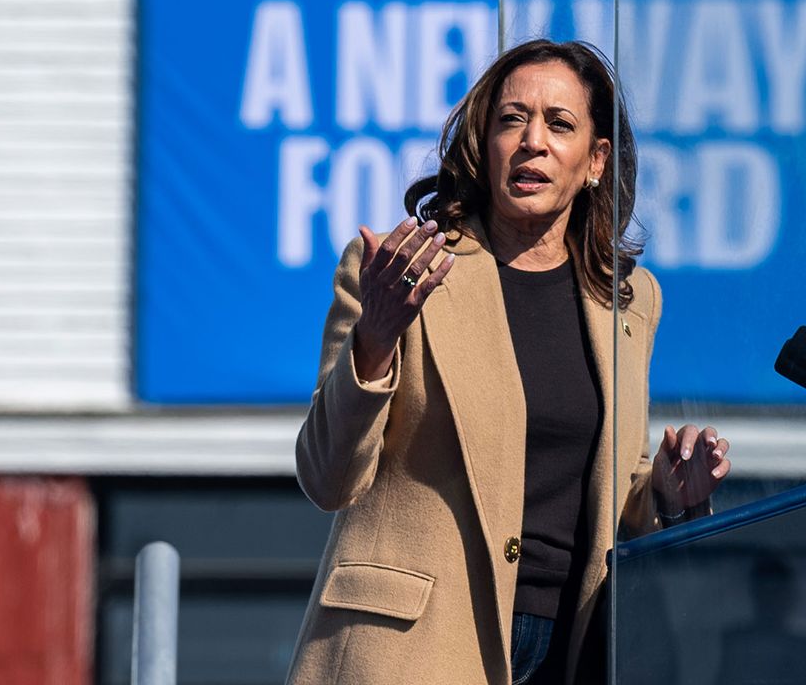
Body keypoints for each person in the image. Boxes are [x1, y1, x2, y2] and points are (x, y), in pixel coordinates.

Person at [286, 39, 731, 685]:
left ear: (595, 161)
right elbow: (327, 478)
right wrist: (377, 338)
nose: (532, 142)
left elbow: (611, 482)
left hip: (571, 651)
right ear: (484, 145)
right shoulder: (401, 270)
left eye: (559, 124)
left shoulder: (631, 300)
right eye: (511, 120)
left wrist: (663, 491)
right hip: (415, 647)